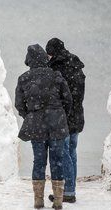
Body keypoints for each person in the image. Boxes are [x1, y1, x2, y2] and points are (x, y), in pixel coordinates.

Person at [15, 44, 72, 210]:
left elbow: (19, 104)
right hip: (57, 124)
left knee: (39, 161)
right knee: (57, 161)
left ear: (29, 60)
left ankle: (38, 201)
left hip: (36, 125)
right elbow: (68, 100)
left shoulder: (24, 78)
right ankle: (58, 201)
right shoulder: (56, 76)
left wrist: (30, 115)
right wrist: (60, 114)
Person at [46, 38, 85, 203]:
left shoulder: (56, 68)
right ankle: (71, 189)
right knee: (72, 153)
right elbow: (78, 93)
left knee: (63, 155)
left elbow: (58, 95)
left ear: (52, 53)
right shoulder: (75, 64)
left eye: (48, 54)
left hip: (64, 117)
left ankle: (68, 192)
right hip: (77, 115)